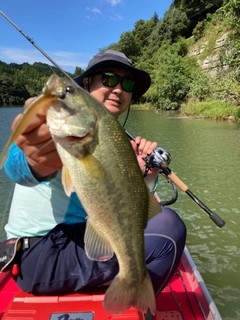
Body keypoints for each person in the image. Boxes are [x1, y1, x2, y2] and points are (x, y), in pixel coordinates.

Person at [2, 50, 186, 298]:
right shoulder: (59, 123)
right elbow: (17, 167)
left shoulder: (116, 141)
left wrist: (145, 175)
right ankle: (136, 296)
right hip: (39, 254)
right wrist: (37, 162)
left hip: (79, 240)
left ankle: (130, 290)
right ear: (87, 83)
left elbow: (122, 208)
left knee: (160, 220)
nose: (119, 89)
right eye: (109, 78)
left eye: (127, 83)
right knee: (170, 231)